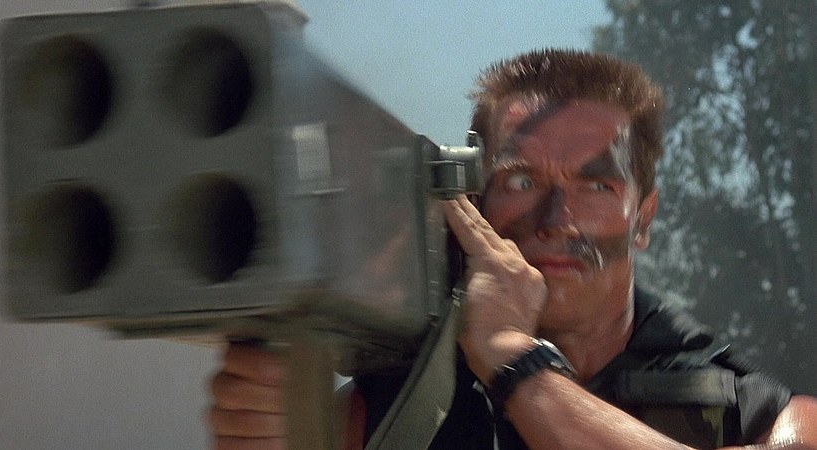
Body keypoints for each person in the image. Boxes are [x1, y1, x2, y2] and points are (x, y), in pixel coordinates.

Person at [207, 49, 817, 449]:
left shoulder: (765, 418)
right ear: (475, 205)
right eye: (521, 182)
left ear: (643, 219)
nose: (557, 221)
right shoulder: (397, 413)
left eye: (596, 186)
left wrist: (514, 362)